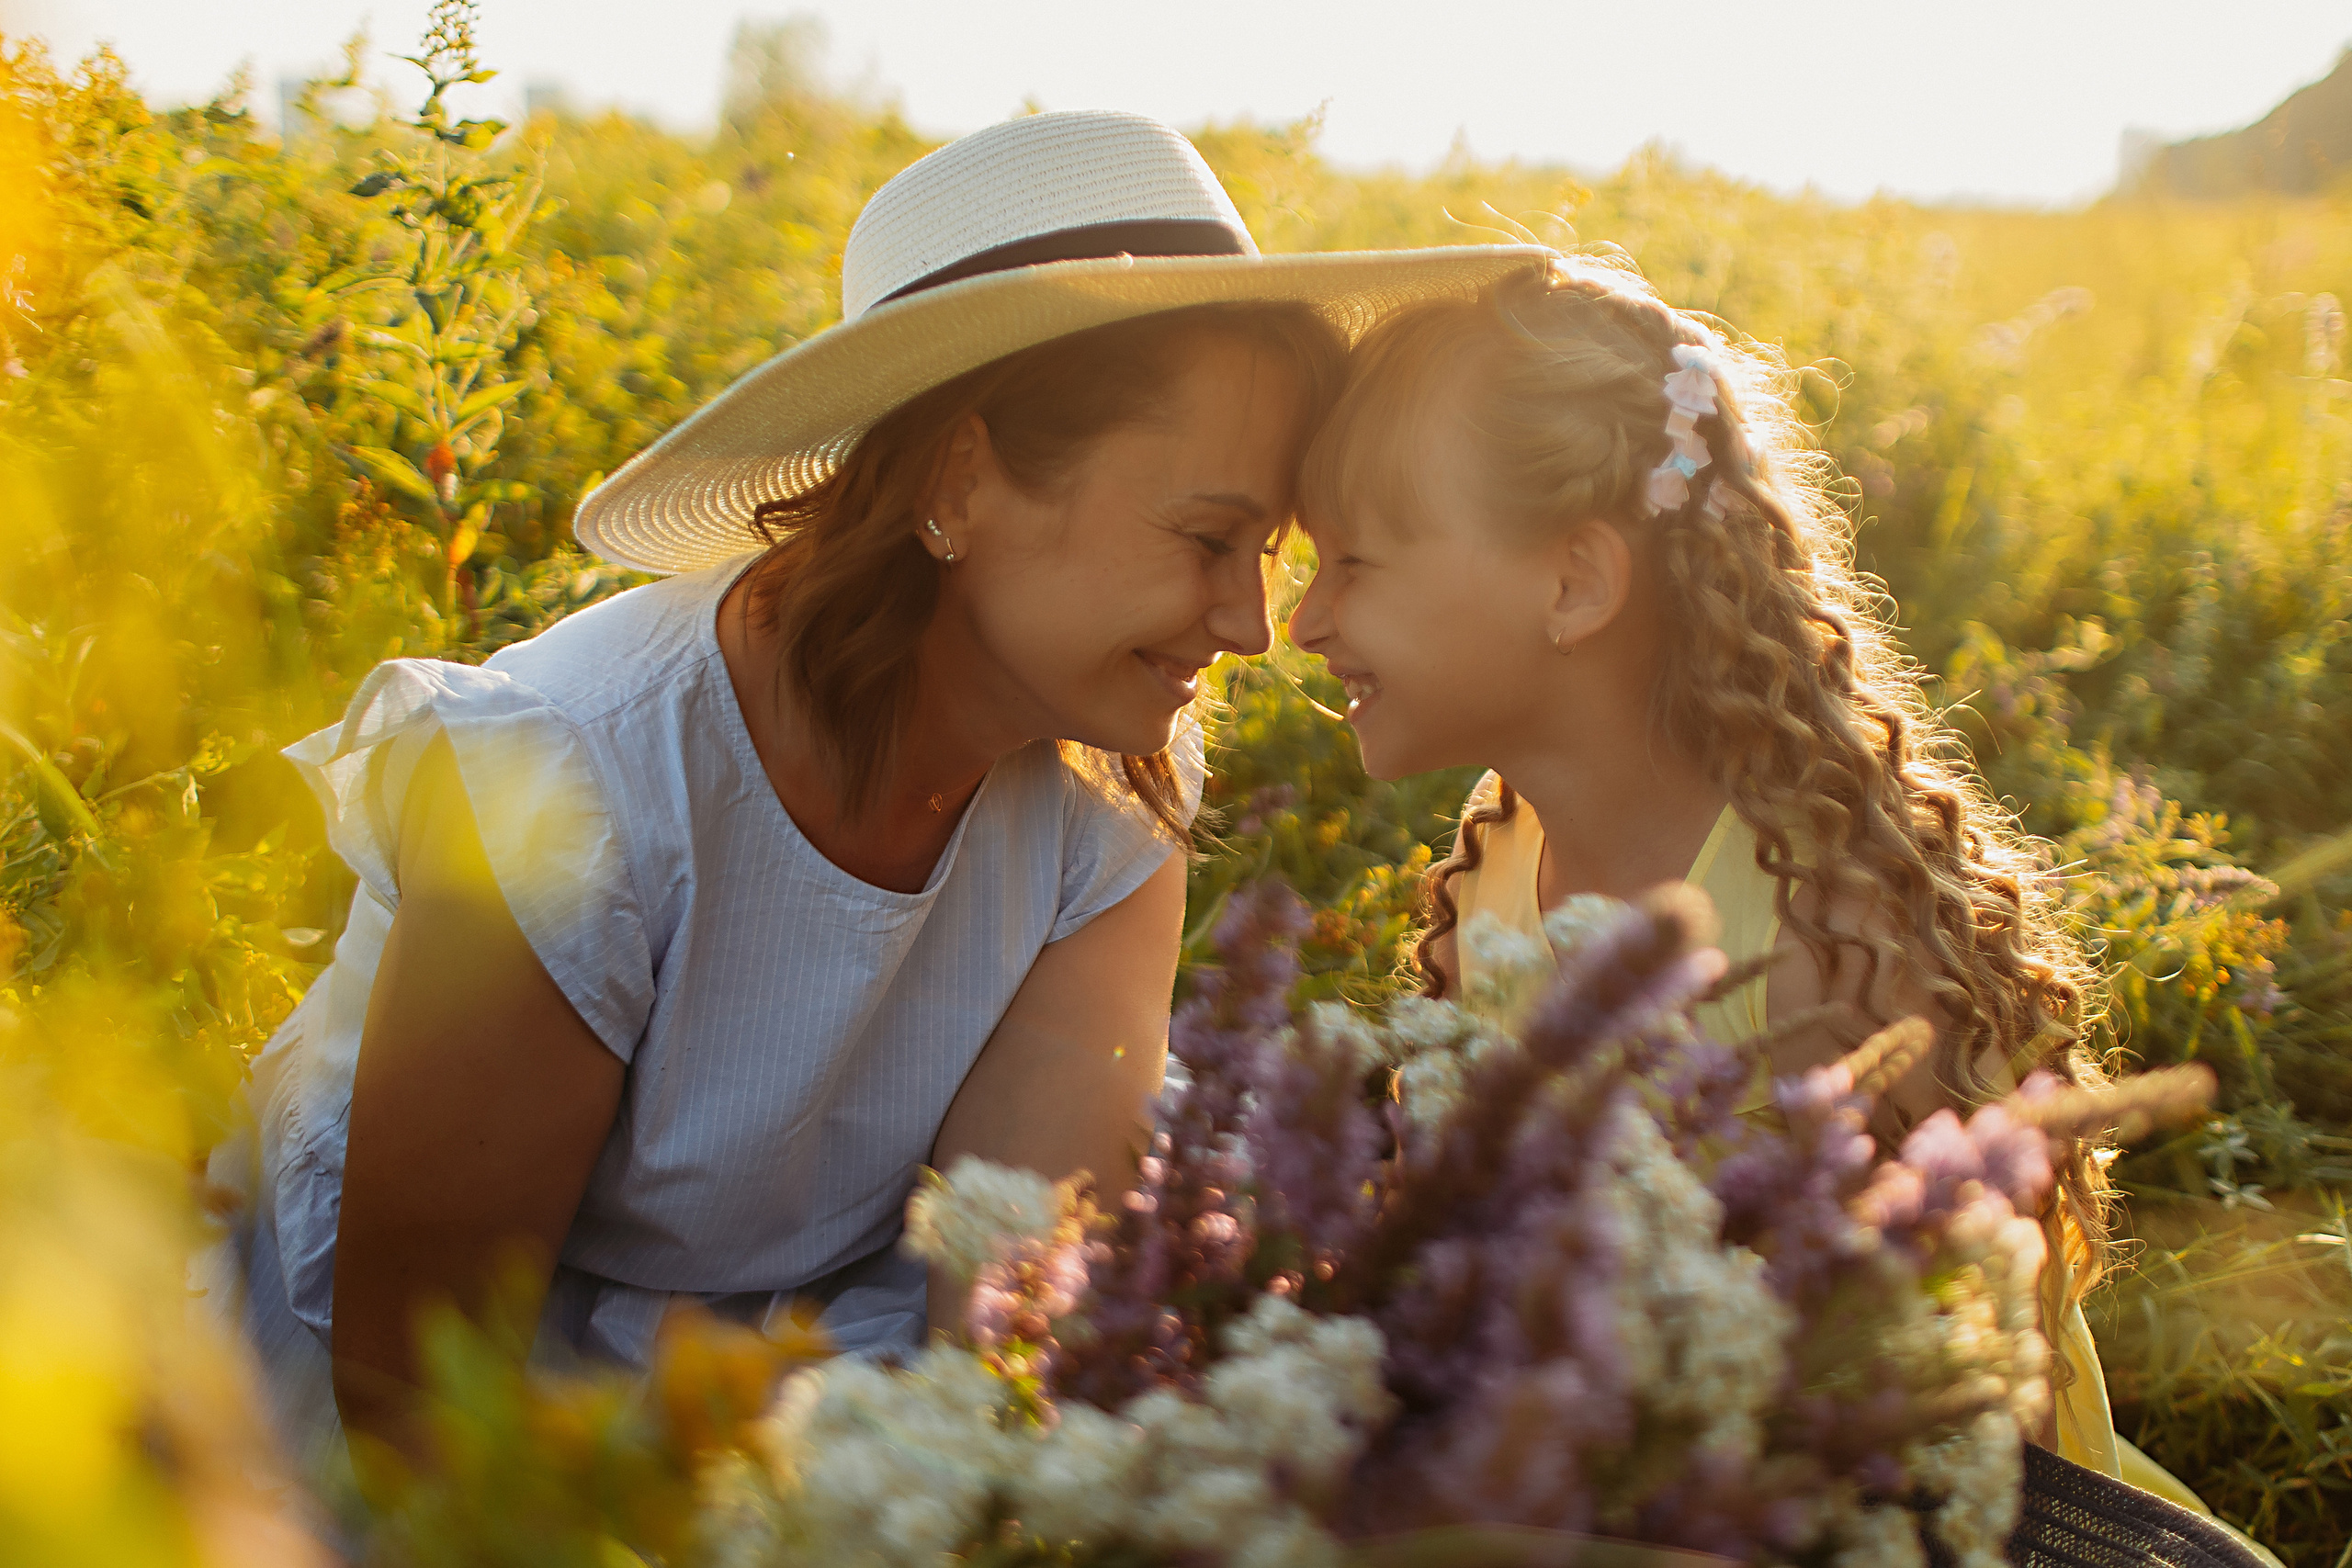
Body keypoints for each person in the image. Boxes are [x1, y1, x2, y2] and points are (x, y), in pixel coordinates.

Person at [213, 108, 1548, 1467]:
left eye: (1267, 549)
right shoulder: (573, 789)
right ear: (961, 480)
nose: (1253, 626)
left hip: (832, 1385)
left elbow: (1013, 1308)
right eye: (1209, 537)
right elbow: (425, 1396)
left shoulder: (1111, 778)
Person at [1282, 254, 2260, 1534]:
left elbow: (1967, 1439)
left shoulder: (1822, 946)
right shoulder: (1501, 854)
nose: (1304, 621)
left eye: (1355, 563)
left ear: (1573, 583)